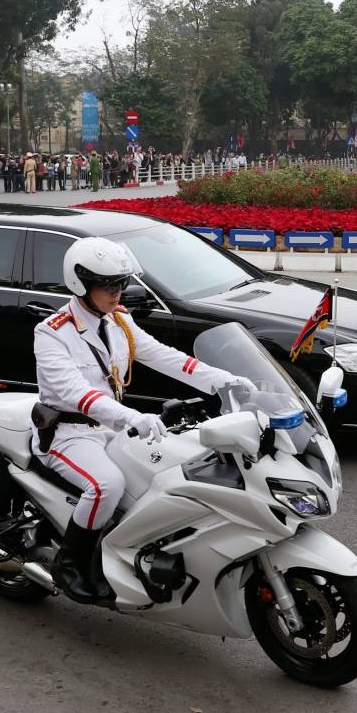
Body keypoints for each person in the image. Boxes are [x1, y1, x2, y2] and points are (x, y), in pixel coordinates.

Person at [31, 237, 249, 603]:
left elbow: (167, 358)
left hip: (110, 429)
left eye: (122, 283)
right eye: (108, 285)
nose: (118, 292)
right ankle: (71, 563)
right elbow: (76, 394)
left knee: (167, 473)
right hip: (69, 433)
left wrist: (221, 379)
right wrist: (132, 417)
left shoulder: (119, 322)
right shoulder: (53, 332)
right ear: (80, 284)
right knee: (106, 485)